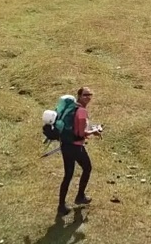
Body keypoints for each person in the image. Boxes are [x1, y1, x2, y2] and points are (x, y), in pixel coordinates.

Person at [57, 86, 100, 216]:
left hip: (66, 145)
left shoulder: (73, 108)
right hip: (75, 147)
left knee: (68, 175)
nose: (88, 97)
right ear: (79, 95)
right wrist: (94, 131)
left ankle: (61, 206)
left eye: (89, 95)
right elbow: (81, 134)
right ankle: (80, 196)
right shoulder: (81, 111)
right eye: (85, 95)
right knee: (87, 168)